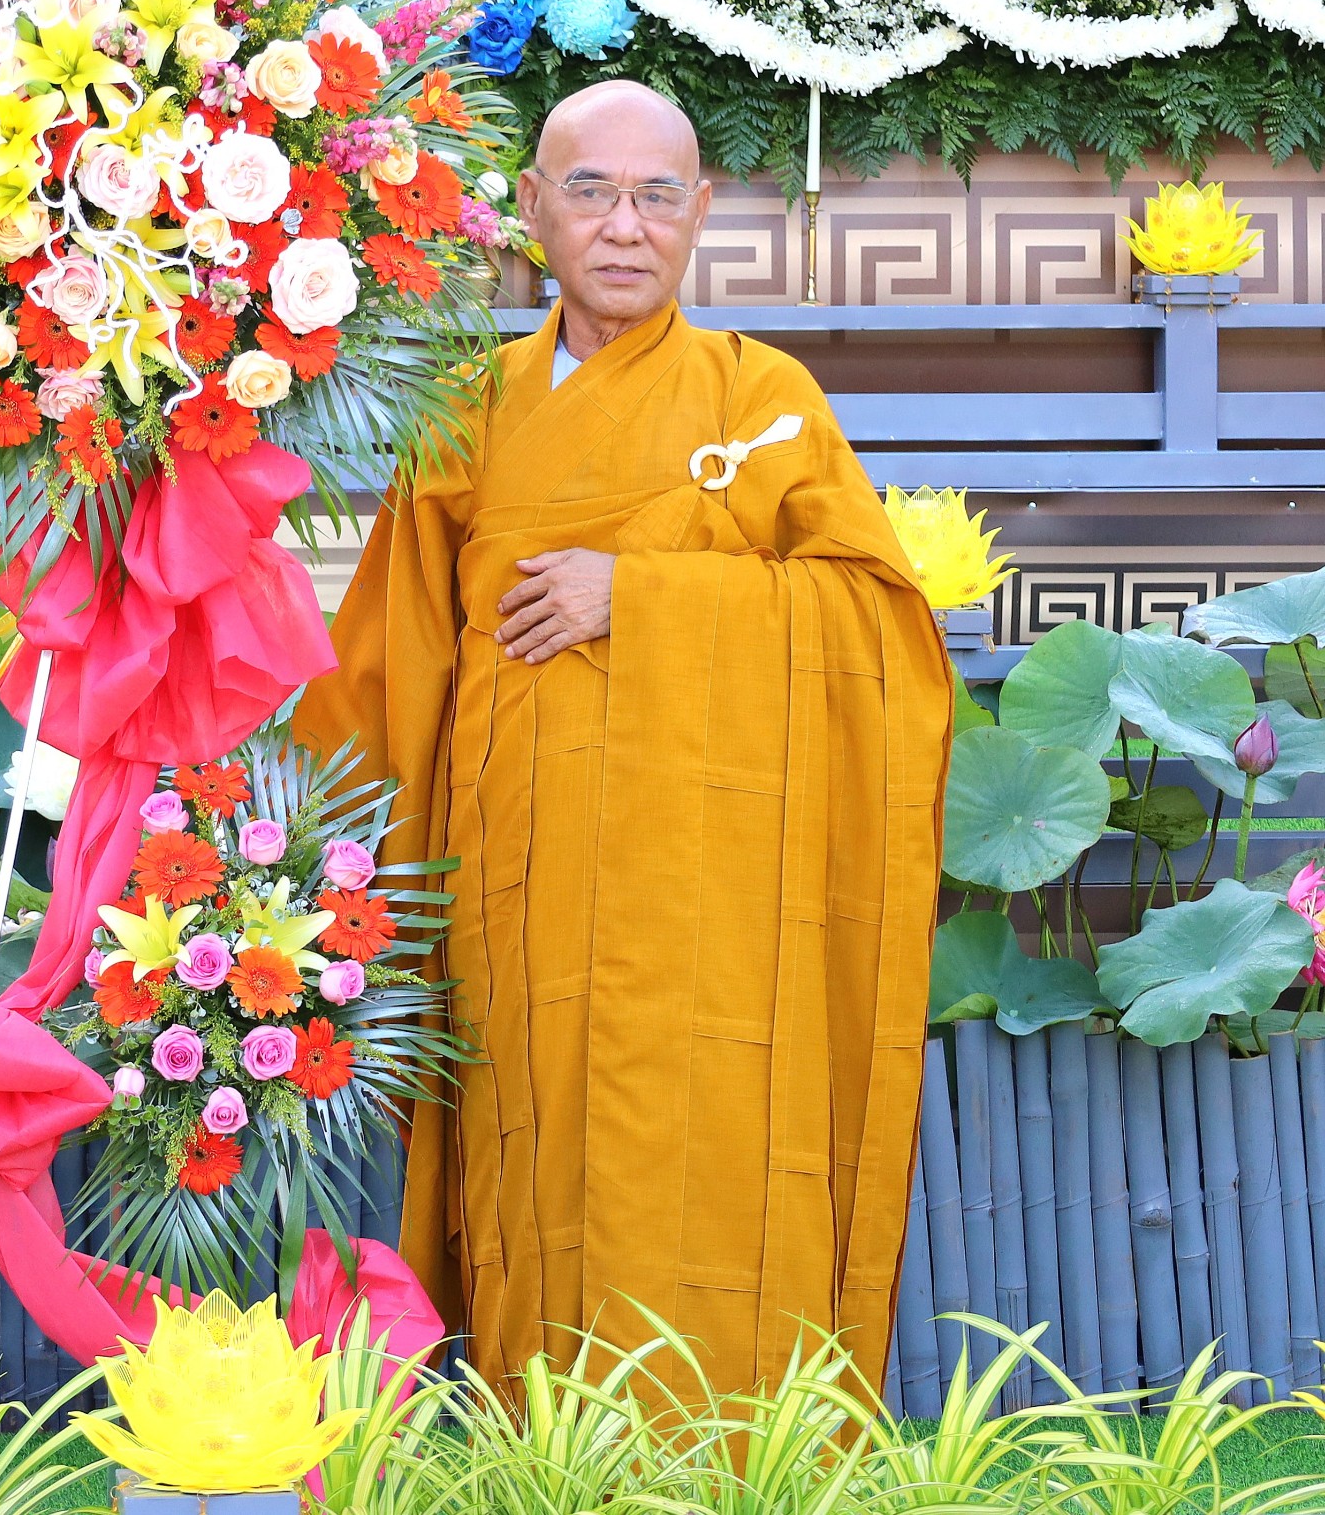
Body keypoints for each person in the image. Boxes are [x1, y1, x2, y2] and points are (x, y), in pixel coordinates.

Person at [291, 80, 949, 1396]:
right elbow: (392, 652)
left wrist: (640, 595)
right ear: (531, 211)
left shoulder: (766, 396)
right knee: (552, 1162)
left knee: (728, 1154)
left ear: (704, 214)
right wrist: (298, 857)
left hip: (728, 894)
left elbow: (882, 631)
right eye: (590, 190)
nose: (626, 225)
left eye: (659, 195)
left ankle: (746, 1453)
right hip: (528, 879)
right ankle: (557, 1454)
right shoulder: (471, 404)